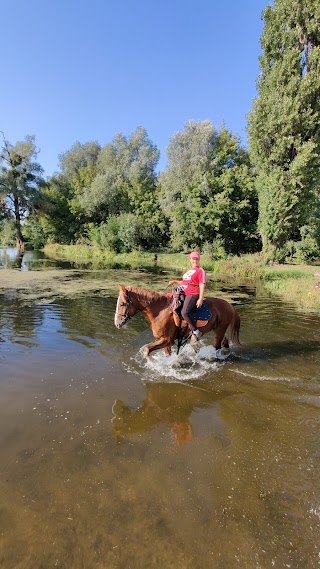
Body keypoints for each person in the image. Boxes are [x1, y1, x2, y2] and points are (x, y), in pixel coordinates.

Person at [168, 251, 206, 344]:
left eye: (196, 259)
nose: (194, 260)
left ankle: (196, 331)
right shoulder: (189, 270)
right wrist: (175, 281)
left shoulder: (200, 270)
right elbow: (185, 282)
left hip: (193, 293)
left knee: (184, 312)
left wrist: (200, 298)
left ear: (199, 259)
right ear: (190, 259)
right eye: (193, 258)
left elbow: (202, 284)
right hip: (184, 291)